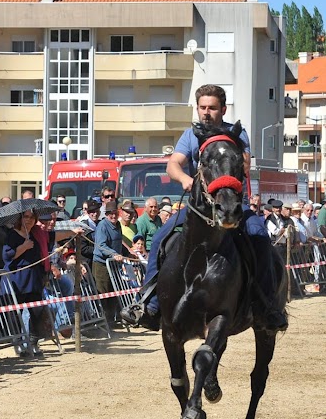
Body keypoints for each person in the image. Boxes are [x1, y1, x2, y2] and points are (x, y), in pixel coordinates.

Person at [140, 84, 287, 332]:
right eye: (202, 107)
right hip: (199, 209)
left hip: (234, 205)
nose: (206, 112)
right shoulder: (190, 136)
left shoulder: (237, 134)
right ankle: (149, 302)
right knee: (160, 238)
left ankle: (267, 305)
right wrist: (185, 179)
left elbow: (244, 164)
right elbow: (173, 164)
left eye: (212, 108)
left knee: (260, 238)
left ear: (223, 109)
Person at [3, 210, 48, 358]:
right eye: (26, 217)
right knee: (16, 314)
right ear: (20, 218)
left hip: (33, 278)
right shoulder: (12, 234)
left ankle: (34, 343)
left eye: (32, 217)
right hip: (17, 279)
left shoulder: (34, 234)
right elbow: (7, 256)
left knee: (37, 311)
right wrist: (24, 246)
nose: (29, 220)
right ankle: (19, 345)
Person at [92, 201, 127, 327]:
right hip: (101, 265)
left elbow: (119, 242)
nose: (113, 216)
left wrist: (127, 254)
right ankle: (103, 322)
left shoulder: (118, 225)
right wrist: (113, 254)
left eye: (115, 213)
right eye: (110, 214)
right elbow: (101, 245)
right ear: (106, 214)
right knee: (103, 293)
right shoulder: (102, 226)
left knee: (114, 293)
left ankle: (112, 321)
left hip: (113, 265)